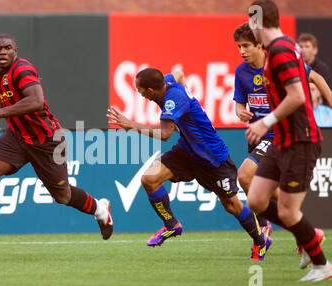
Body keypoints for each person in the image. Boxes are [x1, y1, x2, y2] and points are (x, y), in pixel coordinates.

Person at [0, 33, 113, 255]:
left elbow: (36, 102)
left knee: (62, 196)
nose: (2, 52)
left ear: (16, 50)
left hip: (47, 140)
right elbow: (1, 95)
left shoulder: (22, 69)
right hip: (17, 137)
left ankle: (101, 210)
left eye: (7, 48)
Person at [107, 67, 271, 261]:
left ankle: (260, 241)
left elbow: (165, 134)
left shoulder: (173, 99)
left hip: (212, 158)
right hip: (187, 151)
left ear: (150, 91)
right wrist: (189, 104)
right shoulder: (167, 83)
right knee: (149, 179)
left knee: (231, 205)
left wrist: (131, 125)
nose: (139, 93)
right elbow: (178, 73)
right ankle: (172, 225)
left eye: (140, 90)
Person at [232, 22, 332, 265]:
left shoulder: (276, 63)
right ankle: (305, 230)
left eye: (246, 46)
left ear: (259, 44)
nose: (242, 51)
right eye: (238, 47)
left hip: (277, 135)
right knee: (266, 196)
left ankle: (266, 227)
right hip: (258, 134)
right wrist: (240, 111)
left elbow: (315, 76)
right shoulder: (241, 71)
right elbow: (239, 102)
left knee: (245, 176)